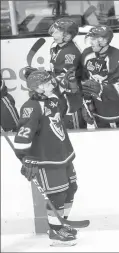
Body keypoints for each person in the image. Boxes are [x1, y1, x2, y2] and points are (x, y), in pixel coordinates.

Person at [13, 69, 82, 246]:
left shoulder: (52, 100)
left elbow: (71, 107)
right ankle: (55, 231)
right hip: (46, 160)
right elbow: (23, 135)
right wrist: (25, 158)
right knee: (57, 195)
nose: (53, 84)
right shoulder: (31, 107)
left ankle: (62, 224)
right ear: (38, 87)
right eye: (48, 83)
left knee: (71, 188)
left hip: (63, 155)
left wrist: (72, 89)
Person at [48, 17, 89, 129]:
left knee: (74, 134)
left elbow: (64, 80)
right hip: (60, 98)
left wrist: (43, 79)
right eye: (54, 31)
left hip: (71, 101)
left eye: (57, 32)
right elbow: (56, 72)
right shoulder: (55, 47)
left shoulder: (70, 53)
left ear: (67, 36)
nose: (53, 35)